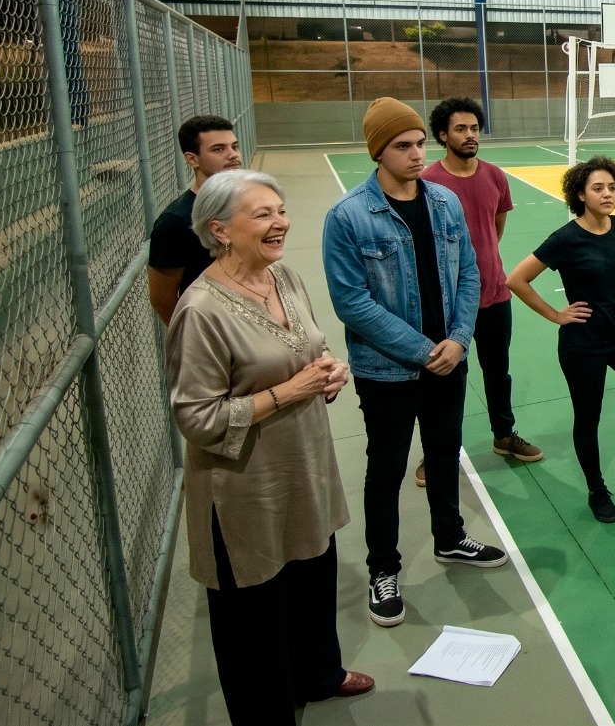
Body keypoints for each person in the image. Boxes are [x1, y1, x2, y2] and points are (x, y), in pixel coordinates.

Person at [166, 169, 373, 722]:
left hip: (303, 466)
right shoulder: (201, 310)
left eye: (280, 209)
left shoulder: (285, 278)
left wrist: (330, 372)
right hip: (243, 490)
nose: (280, 221)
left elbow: (311, 347)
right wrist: (288, 392)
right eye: (262, 214)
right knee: (252, 617)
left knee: (311, 580)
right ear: (221, 230)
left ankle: (318, 675)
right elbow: (196, 417)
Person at [324, 98, 505, 630]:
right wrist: (425, 350)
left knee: (446, 453)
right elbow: (352, 302)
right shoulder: (350, 216)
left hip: (449, 356)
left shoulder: (444, 202)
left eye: (417, 143)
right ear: (378, 152)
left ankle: (449, 538)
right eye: (401, 146)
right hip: (389, 371)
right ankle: (385, 569)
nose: (414, 153)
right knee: (386, 469)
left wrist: (459, 338)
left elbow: (469, 272)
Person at [507, 156, 615, 524]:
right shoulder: (566, 238)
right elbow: (516, 280)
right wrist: (557, 314)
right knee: (588, 419)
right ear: (581, 195)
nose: (608, 194)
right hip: (583, 344)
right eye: (598, 188)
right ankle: (597, 490)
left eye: (612, 187)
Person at [419, 96, 543, 489]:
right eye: (461, 129)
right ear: (443, 134)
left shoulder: (494, 176)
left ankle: (504, 436)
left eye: (474, 128)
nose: (470, 135)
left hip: (494, 293)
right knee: (445, 377)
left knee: (497, 371)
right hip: (446, 301)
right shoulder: (427, 182)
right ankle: (439, 452)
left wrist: (483, 264)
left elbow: (495, 227)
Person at [149, 115, 243, 323]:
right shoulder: (175, 222)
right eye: (219, 149)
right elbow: (161, 298)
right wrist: (194, 335)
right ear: (192, 159)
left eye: (234, 147)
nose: (233, 155)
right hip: (214, 330)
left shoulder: (247, 203)